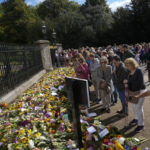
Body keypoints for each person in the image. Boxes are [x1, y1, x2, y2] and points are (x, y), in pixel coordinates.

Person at [125, 58, 146, 132]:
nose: (127, 67)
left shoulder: (139, 70)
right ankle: (136, 119)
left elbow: (140, 83)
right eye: (126, 65)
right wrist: (127, 83)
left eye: (128, 65)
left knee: (139, 108)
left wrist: (136, 93)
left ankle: (141, 125)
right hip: (133, 91)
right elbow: (130, 81)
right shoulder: (129, 71)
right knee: (134, 107)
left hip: (140, 91)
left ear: (133, 64)